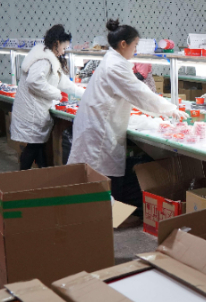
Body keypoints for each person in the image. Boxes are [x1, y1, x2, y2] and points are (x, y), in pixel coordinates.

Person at [68, 19, 187, 203]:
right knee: (103, 181)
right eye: (135, 45)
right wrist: (170, 109)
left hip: (97, 123)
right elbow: (139, 93)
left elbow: (133, 94)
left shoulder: (114, 61)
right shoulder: (115, 66)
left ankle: (105, 211)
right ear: (123, 44)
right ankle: (106, 214)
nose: (136, 50)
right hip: (99, 130)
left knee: (100, 180)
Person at [11, 25, 84, 170]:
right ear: (56, 43)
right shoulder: (44, 60)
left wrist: (85, 94)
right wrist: (56, 94)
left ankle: (42, 171)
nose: (63, 51)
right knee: (33, 146)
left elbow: (63, 82)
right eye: (64, 47)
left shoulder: (48, 58)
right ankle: (20, 177)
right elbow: (34, 81)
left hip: (35, 109)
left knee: (37, 145)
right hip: (32, 111)